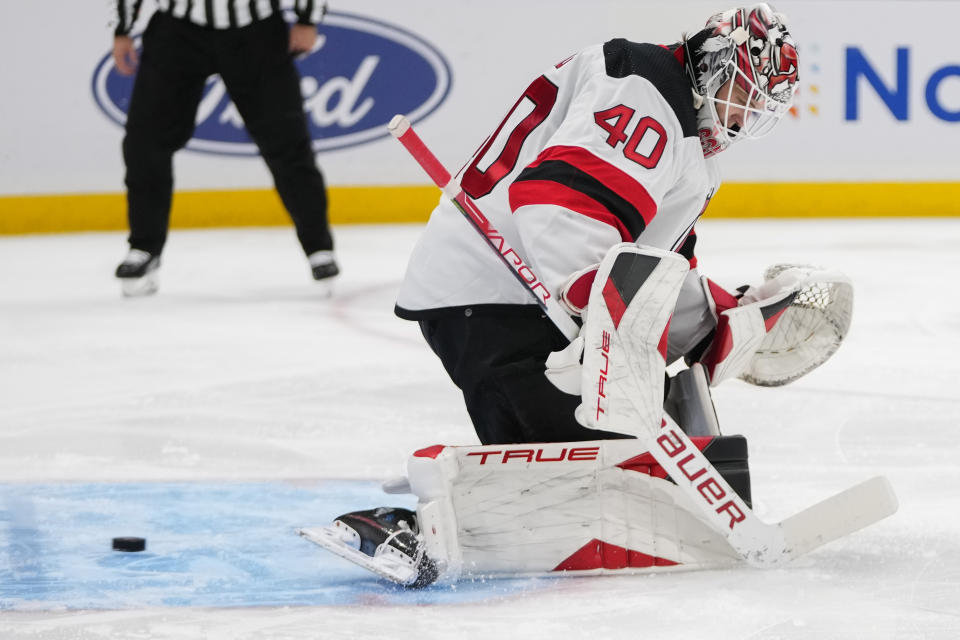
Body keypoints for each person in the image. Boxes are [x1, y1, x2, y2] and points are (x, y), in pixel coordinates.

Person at [394, 3, 799, 444]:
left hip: (517, 292)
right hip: (500, 290)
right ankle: (416, 515)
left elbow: (649, 268)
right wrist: (607, 312)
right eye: (742, 97)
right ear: (717, 63)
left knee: (640, 448)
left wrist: (713, 320)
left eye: (755, 110)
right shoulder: (647, 89)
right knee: (620, 460)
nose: (740, 121)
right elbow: (557, 204)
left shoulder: (682, 136)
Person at [111, 0, 338, 296]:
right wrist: (122, 28)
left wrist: (308, 18)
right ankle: (144, 247)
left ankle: (318, 247)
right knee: (145, 141)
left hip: (255, 30)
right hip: (178, 29)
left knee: (286, 141)